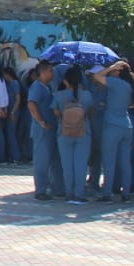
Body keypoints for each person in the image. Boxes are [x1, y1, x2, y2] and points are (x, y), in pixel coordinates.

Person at [91, 61, 134, 203]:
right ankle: (126, 194)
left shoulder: (115, 83)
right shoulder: (130, 86)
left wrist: (111, 68)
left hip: (112, 125)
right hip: (127, 125)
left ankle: (107, 193)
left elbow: (96, 76)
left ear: (118, 71)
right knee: (125, 161)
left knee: (109, 160)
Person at [50, 65, 92, 205]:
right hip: (83, 132)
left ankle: (69, 194)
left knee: (67, 165)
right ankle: (79, 194)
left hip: (64, 132)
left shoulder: (59, 95)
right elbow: (90, 113)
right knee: (81, 164)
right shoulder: (87, 95)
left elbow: (55, 113)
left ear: (66, 81)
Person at [26, 62, 62, 201]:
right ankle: (40, 190)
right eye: (51, 71)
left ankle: (56, 188)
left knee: (54, 161)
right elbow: (31, 104)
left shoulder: (47, 88)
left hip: (51, 130)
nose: (53, 74)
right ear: (44, 72)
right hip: (42, 131)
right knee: (42, 161)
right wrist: (41, 121)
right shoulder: (37, 87)